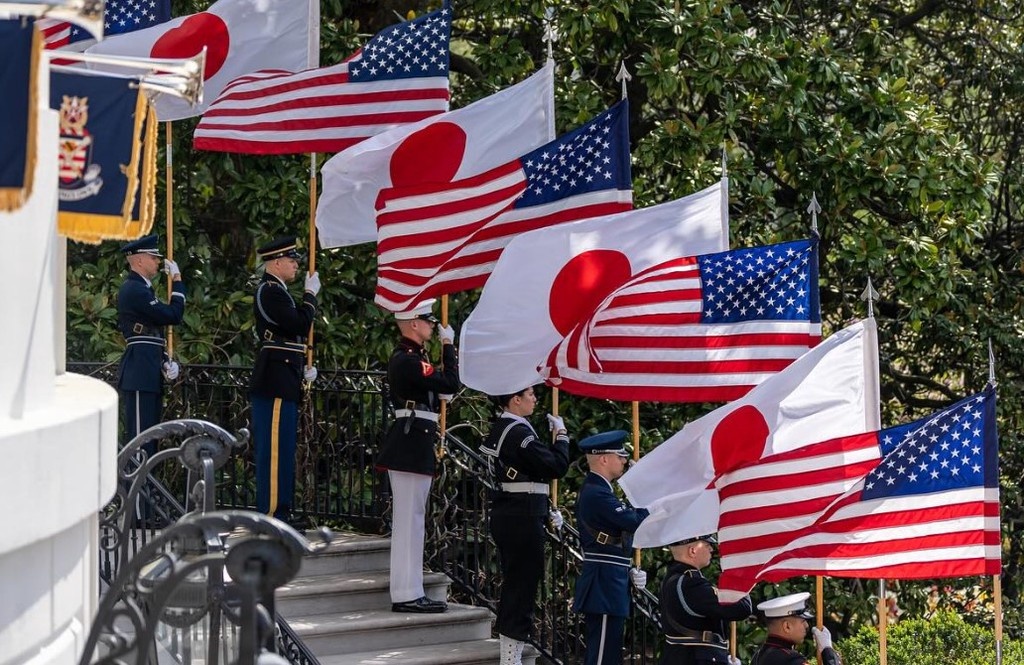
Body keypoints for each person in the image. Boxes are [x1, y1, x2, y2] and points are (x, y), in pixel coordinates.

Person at [376, 298, 459, 613]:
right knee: (409, 522)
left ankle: (411, 590)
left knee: (414, 520)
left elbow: (439, 388)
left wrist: (438, 391)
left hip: (415, 444)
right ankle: (406, 593)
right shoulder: (409, 361)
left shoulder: (412, 359)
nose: (433, 326)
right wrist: (448, 346)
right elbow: (451, 380)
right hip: (410, 445)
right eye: (428, 321)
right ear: (413, 323)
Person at [482, 387, 571, 665]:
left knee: (518, 585)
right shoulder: (517, 432)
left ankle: (513, 654)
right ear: (515, 399)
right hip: (521, 516)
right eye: (530, 394)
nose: (535, 398)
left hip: (517, 512)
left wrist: (547, 510)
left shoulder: (509, 429)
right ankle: (510, 658)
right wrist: (562, 438)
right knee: (521, 587)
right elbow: (555, 466)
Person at [249, 236, 319, 523]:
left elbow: (292, 335)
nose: (296, 266)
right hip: (275, 377)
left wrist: (303, 363)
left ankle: (282, 509)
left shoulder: (278, 291)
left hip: (285, 374)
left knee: (284, 447)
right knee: (274, 450)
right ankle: (273, 512)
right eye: (291, 261)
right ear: (276, 263)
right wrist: (310, 298)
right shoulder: (270, 291)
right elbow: (299, 323)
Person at [573, 430, 650, 665]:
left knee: (610, 651)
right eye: (620, 456)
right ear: (604, 459)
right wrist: (646, 492)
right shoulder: (596, 493)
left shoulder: (601, 490)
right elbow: (633, 520)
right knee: (602, 654)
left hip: (610, 578)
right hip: (604, 583)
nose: (624, 461)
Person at [116, 234, 185, 456]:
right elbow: (172, 314)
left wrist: (165, 361)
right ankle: (137, 491)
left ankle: (146, 490)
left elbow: (152, 334)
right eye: (153, 257)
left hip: (148, 369)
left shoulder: (143, 290)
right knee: (139, 440)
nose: (157, 262)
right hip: (139, 371)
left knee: (150, 439)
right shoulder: (134, 290)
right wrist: (177, 280)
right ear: (138, 261)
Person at [658, 534, 752, 664]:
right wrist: (739, 576)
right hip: (697, 657)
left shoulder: (673, 578)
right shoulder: (691, 584)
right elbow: (741, 608)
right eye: (707, 545)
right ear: (693, 551)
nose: (711, 550)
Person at [752, 592, 841, 665]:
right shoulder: (791, 659)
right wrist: (828, 651)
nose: (806, 625)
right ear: (787, 626)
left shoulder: (757, 657)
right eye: (803, 621)